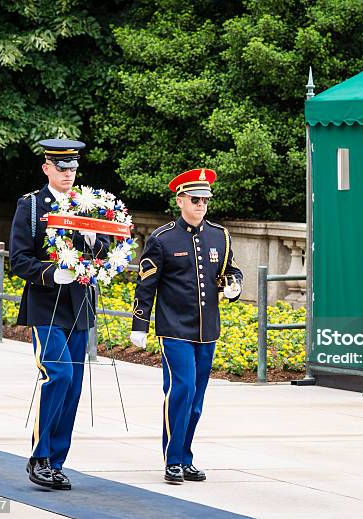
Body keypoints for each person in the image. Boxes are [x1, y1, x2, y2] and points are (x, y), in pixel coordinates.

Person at [129, 168, 243, 484]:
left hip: (207, 330)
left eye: (205, 200)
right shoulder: (162, 239)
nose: (201, 205)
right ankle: (173, 460)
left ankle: (185, 456)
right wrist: (140, 324)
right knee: (182, 390)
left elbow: (229, 271)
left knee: (196, 402)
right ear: (180, 200)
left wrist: (234, 285)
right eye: (195, 200)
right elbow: (146, 284)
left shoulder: (220, 235)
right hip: (174, 328)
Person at [10, 139, 109, 489]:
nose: (68, 173)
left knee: (74, 387)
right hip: (46, 306)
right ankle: (39, 456)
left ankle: (56, 461)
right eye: (62, 167)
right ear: (47, 169)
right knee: (59, 376)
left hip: (78, 306)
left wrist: (94, 239)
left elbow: (105, 248)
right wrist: (50, 273)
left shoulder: (88, 205)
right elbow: (18, 259)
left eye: (73, 168)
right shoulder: (32, 205)